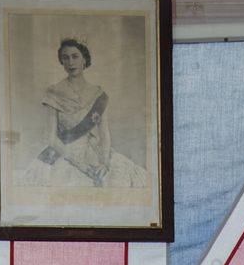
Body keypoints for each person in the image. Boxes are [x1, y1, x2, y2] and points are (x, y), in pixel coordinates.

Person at [18, 38, 148, 190]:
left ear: (84, 59)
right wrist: (82, 165)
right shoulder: (54, 93)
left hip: (93, 152)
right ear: (61, 61)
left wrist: (104, 163)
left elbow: (104, 134)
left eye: (75, 56)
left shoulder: (98, 94)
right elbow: (51, 138)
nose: (70, 62)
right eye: (65, 58)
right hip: (64, 153)